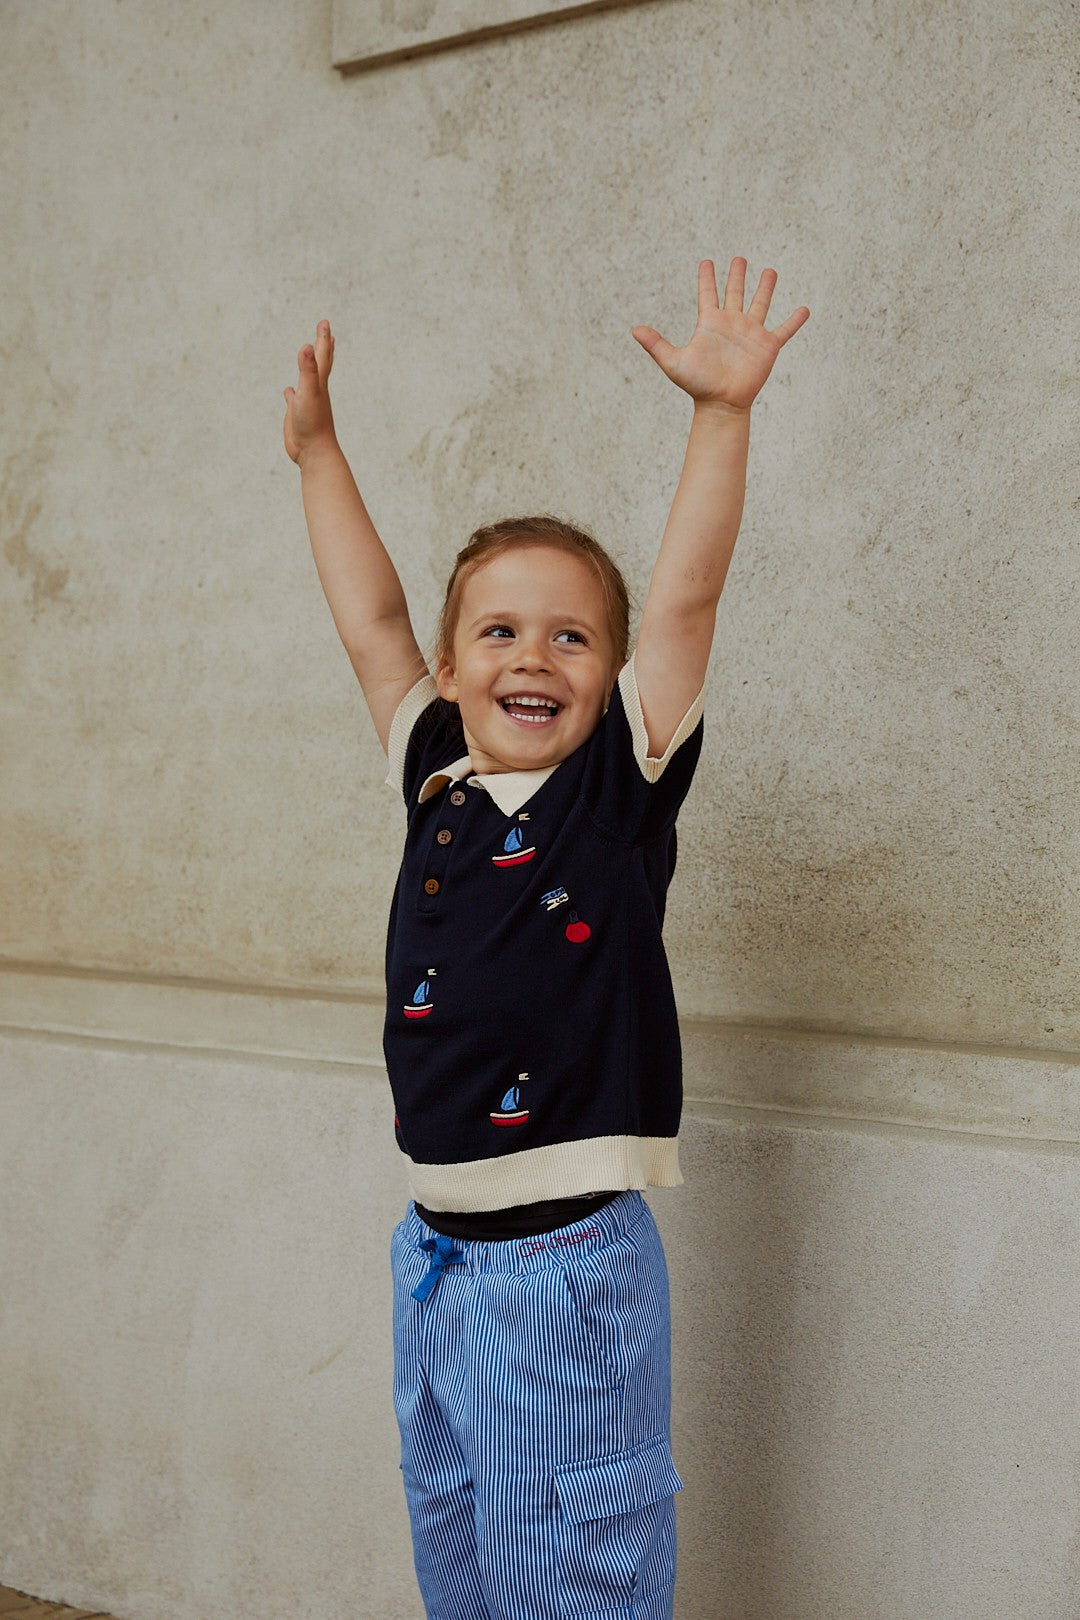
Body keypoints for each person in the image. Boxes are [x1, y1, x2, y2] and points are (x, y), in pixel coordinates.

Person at [283, 258, 809, 1620]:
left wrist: (723, 417)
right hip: (439, 1256)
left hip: (564, 1268)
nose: (537, 656)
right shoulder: (437, 776)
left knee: (577, 1583)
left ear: (615, 674)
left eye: (575, 636)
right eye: (502, 631)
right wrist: (319, 453)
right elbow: (371, 620)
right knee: (460, 1565)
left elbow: (686, 596)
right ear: (455, 674)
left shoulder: (613, 790)